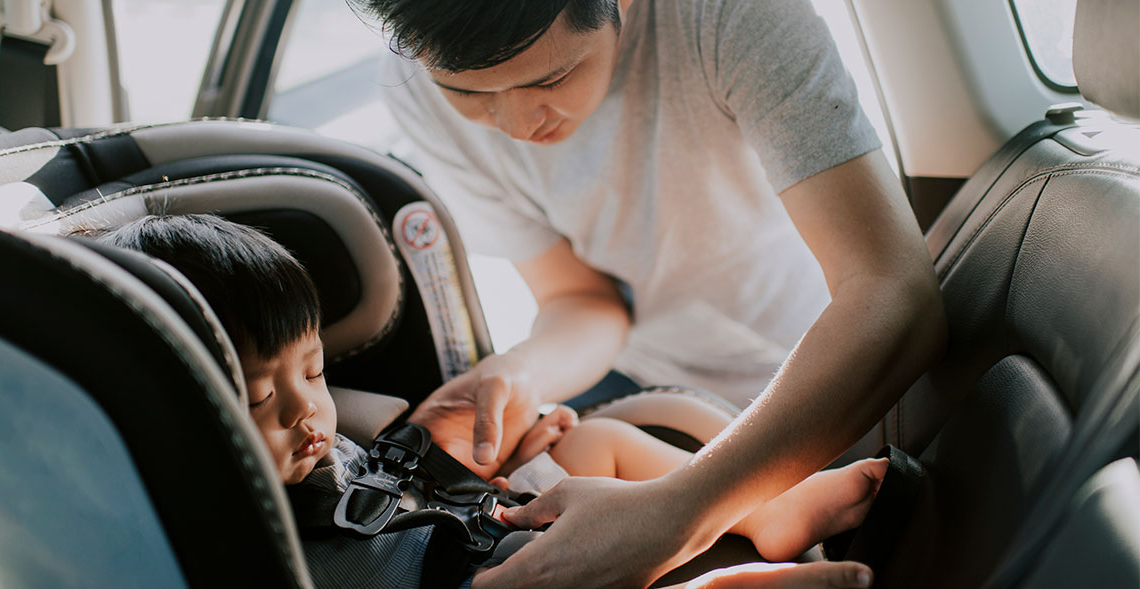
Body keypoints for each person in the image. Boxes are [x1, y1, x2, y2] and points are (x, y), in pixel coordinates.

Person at [351, 0, 948, 586]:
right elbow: (583, 299)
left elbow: (893, 291)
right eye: (469, 95)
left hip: (826, 381)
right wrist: (522, 372)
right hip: (653, 383)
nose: (515, 126)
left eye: (552, 77)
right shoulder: (412, 83)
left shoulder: (730, 16)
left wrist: (677, 513)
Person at [96, 214, 887, 588]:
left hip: (476, 515)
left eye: (313, 370)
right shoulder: (221, 543)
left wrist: (479, 454)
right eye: (263, 396)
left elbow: (385, 475)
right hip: (473, 583)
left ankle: (763, 509)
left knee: (595, 440)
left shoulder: (315, 442)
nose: (307, 411)